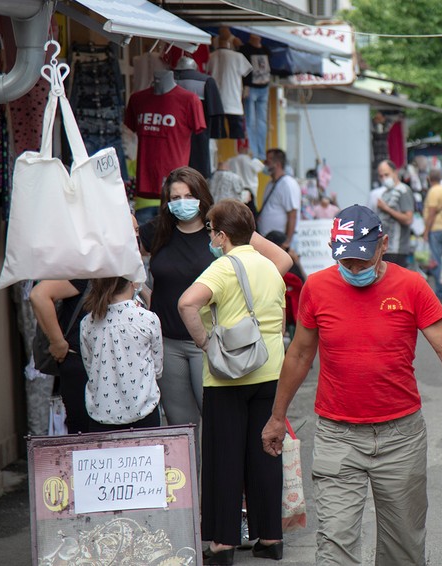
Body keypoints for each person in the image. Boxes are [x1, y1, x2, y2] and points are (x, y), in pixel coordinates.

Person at [261, 205, 442, 566]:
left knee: (402, 549)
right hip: (337, 436)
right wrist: (277, 416)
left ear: (383, 245)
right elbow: (298, 356)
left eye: (363, 261)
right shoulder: (317, 287)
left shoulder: (411, 286)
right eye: (347, 262)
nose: (355, 270)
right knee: (334, 547)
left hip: (400, 437)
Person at [140, 167, 291, 466]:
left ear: (201, 196)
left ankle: (225, 499)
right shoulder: (155, 231)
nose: (182, 202)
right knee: (181, 430)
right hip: (168, 343)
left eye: (189, 196)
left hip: (212, 343)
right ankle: (191, 504)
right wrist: (146, 295)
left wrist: (250, 287)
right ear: (167, 201)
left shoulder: (222, 229)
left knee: (218, 427)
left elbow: (282, 260)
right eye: (175, 197)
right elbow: (125, 266)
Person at [178, 200, 287, 565]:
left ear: (222, 236)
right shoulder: (272, 267)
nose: (209, 236)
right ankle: (271, 537)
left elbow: (186, 304)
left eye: (211, 230)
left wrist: (205, 342)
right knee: (266, 454)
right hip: (270, 371)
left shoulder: (222, 268)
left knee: (223, 459)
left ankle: (222, 545)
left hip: (227, 377)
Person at [80, 277, 163, 432]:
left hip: (101, 415)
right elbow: (157, 369)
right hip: (143, 410)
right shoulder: (148, 319)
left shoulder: (87, 323)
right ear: (132, 282)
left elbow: (90, 367)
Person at [30, 278, 92, 434]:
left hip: (97, 363)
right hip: (79, 362)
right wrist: (57, 341)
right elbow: (38, 295)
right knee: (82, 434)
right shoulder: (83, 271)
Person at [258, 148, 301, 245]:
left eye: (267, 162)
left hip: (281, 242)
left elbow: (292, 214)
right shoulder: (270, 184)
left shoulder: (287, 184)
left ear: (277, 164)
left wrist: (287, 242)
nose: (264, 165)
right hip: (271, 241)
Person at [375, 159, 414, 267]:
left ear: (395, 172)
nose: (384, 178)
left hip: (397, 248)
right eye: (381, 176)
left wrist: (386, 209)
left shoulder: (403, 190)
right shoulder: (385, 192)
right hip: (384, 247)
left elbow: (408, 219)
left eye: (386, 174)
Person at [423, 167, 442, 302]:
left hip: (435, 228)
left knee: (436, 262)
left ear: (429, 178)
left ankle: (441, 293)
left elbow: (432, 212)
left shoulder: (433, 191)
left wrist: (426, 231)